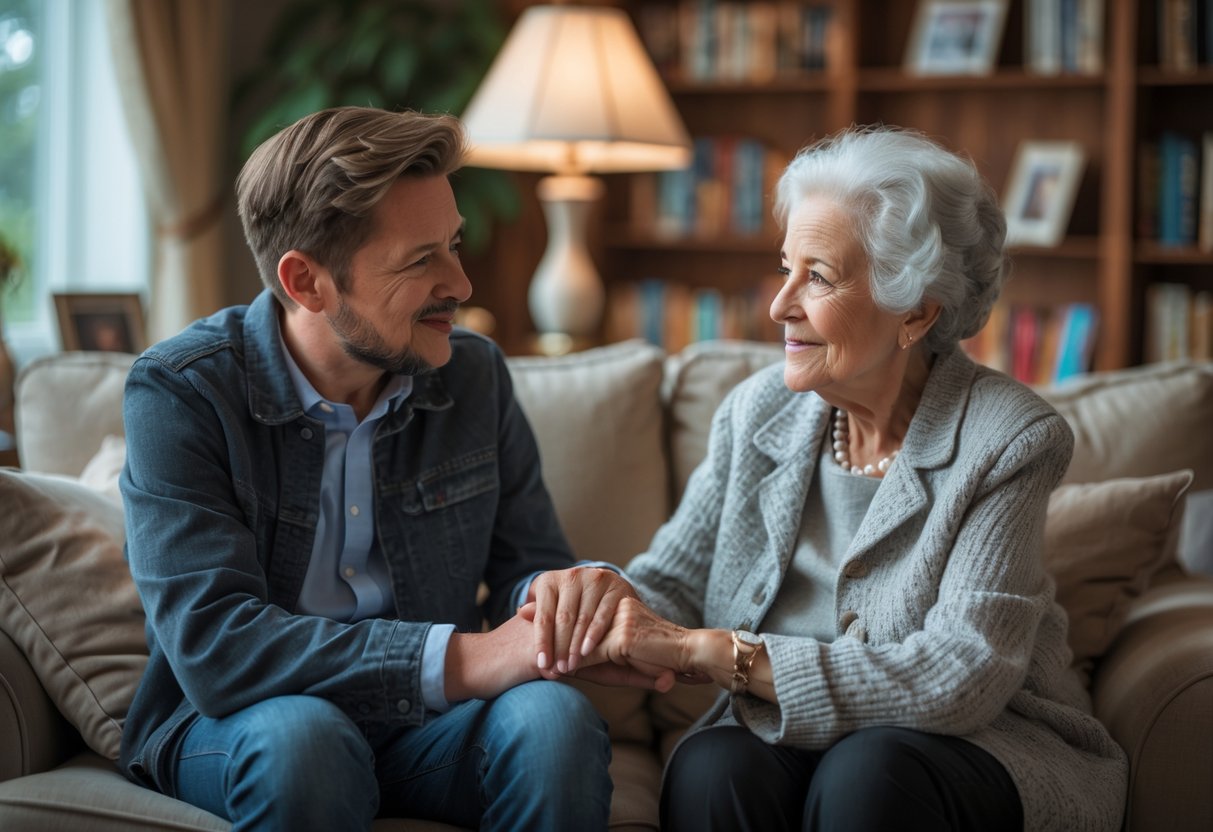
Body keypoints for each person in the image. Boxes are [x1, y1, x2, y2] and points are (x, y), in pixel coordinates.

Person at [570, 127, 1129, 831]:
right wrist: (595, 597)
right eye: (785, 268)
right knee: (714, 764)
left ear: (915, 311)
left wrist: (724, 655)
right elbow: (673, 580)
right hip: (787, 728)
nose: (779, 306)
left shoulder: (1008, 437)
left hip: (973, 744)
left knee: (868, 773)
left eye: (818, 276)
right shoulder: (757, 411)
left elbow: (962, 673)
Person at [117, 106, 658, 832]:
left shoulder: (473, 377)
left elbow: (527, 564)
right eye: (420, 259)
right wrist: (462, 659)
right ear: (307, 281)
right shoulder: (182, 393)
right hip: (243, 727)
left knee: (552, 719)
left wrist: (565, 600)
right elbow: (216, 647)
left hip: (423, 729)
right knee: (304, 741)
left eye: (454, 245)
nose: (461, 284)